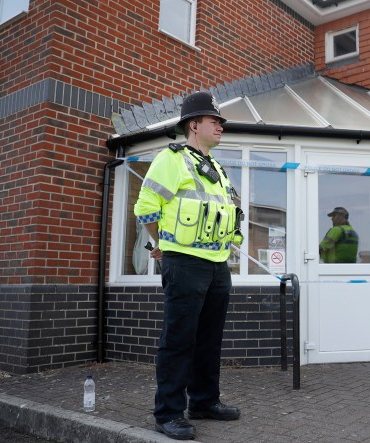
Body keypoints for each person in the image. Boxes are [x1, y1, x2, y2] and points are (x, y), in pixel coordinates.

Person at [134, 91, 244, 440]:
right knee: (179, 339)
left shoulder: (219, 170)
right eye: (215, 121)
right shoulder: (171, 159)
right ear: (193, 125)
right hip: (184, 262)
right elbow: (146, 208)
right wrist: (160, 245)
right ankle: (168, 413)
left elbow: (232, 214)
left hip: (217, 264)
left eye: (221, 122)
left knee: (210, 339)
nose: (220, 126)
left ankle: (204, 402)